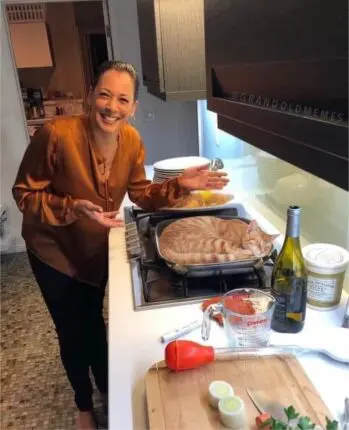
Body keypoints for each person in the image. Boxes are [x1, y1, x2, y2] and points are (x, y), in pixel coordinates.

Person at [12, 60, 229, 430]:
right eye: (105, 95)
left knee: (94, 323)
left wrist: (181, 185)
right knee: (72, 329)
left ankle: (107, 391)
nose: (112, 107)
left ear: (133, 108)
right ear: (90, 95)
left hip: (95, 250)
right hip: (53, 251)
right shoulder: (56, 134)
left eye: (122, 99)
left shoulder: (131, 141)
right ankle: (84, 405)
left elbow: (142, 195)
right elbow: (23, 194)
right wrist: (70, 208)